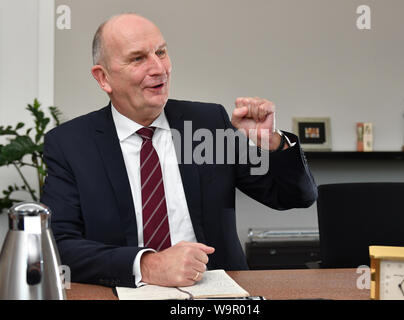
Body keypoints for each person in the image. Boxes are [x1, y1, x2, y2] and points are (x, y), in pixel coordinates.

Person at [41, 13, 317, 288]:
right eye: (138, 59)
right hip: (124, 291)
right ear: (103, 78)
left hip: (216, 293)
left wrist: (274, 143)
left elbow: (293, 196)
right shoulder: (70, 145)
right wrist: (147, 265)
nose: (158, 68)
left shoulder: (206, 124)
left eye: (161, 52)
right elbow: (59, 245)